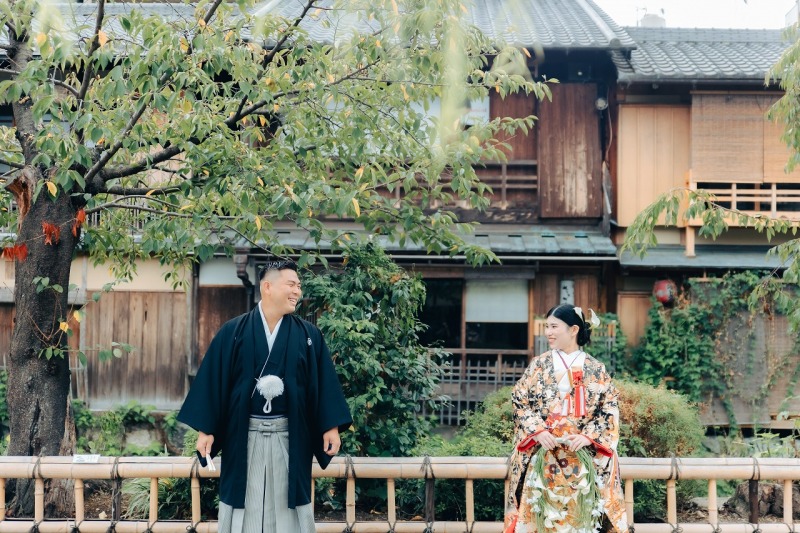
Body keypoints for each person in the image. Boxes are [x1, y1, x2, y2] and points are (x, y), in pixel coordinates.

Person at [177, 260, 352, 533]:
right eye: (291, 284)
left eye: (299, 286)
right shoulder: (233, 332)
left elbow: (323, 383)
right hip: (244, 434)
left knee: (288, 501)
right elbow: (215, 381)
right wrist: (207, 429)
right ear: (267, 287)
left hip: (289, 434)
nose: (297, 291)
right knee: (243, 501)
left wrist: (330, 426)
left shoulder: (309, 336)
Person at [504, 304, 627, 533]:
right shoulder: (539, 365)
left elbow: (609, 408)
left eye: (554, 326)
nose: (548, 332)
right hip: (544, 455)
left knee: (580, 521)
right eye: (547, 326)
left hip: (582, 460)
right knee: (541, 519)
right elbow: (519, 399)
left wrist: (589, 437)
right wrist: (538, 431)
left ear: (573, 330)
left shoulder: (595, 369)